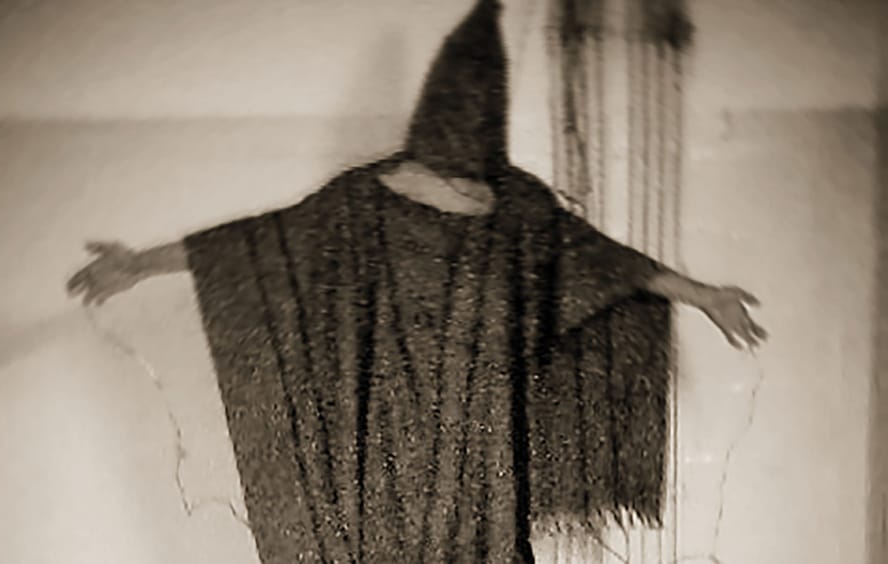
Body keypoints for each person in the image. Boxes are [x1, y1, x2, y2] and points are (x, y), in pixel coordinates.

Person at [67, 1, 764, 562]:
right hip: (378, 460)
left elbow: (611, 264)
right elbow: (254, 247)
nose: (453, 197)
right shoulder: (353, 208)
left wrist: (704, 295)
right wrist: (139, 263)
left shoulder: (522, 213)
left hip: (483, 467)